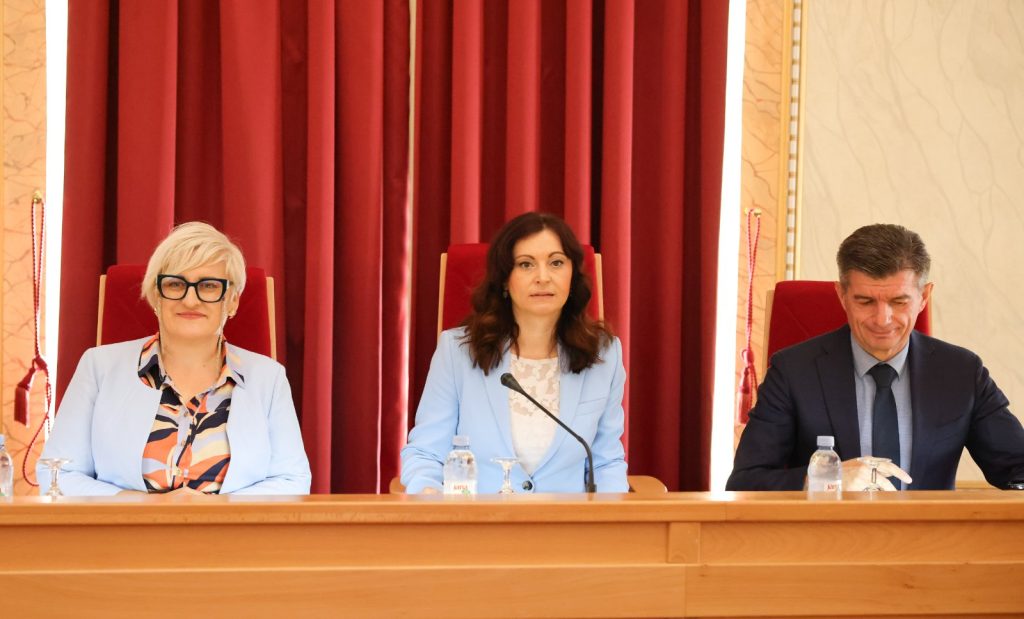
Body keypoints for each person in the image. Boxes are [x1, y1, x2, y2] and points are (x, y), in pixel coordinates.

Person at [727, 224, 1024, 491]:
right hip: (829, 534)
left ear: (924, 297)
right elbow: (745, 482)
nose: (883, 319)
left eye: (899, 301)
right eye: (866, 301)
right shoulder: (793, 371)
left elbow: (1017, 469)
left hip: (931, 536)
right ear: (842, 296)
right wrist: (825, 480)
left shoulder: (962, 372)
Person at [39, 222, 311, 495]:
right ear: (156, 296)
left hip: (232, 524)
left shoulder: (269, 378)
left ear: (232, 301)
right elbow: (58, 475)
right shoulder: (98, 368)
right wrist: (145, 507)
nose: (190, 300)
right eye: (175, 284)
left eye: (208, 286)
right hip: (125, 524)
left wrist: (217, 509)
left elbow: (292, 480)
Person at [401, 212, 628, 493]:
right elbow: (426, 453)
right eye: (526, 264)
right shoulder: (457, 352)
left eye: (556, 262)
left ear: (572, 275)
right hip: (478, 518)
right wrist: (429, 498)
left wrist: (611, 517)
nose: (543, 277)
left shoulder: (603, 356)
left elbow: (606, 463)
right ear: (505, 280)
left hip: (569, 520)